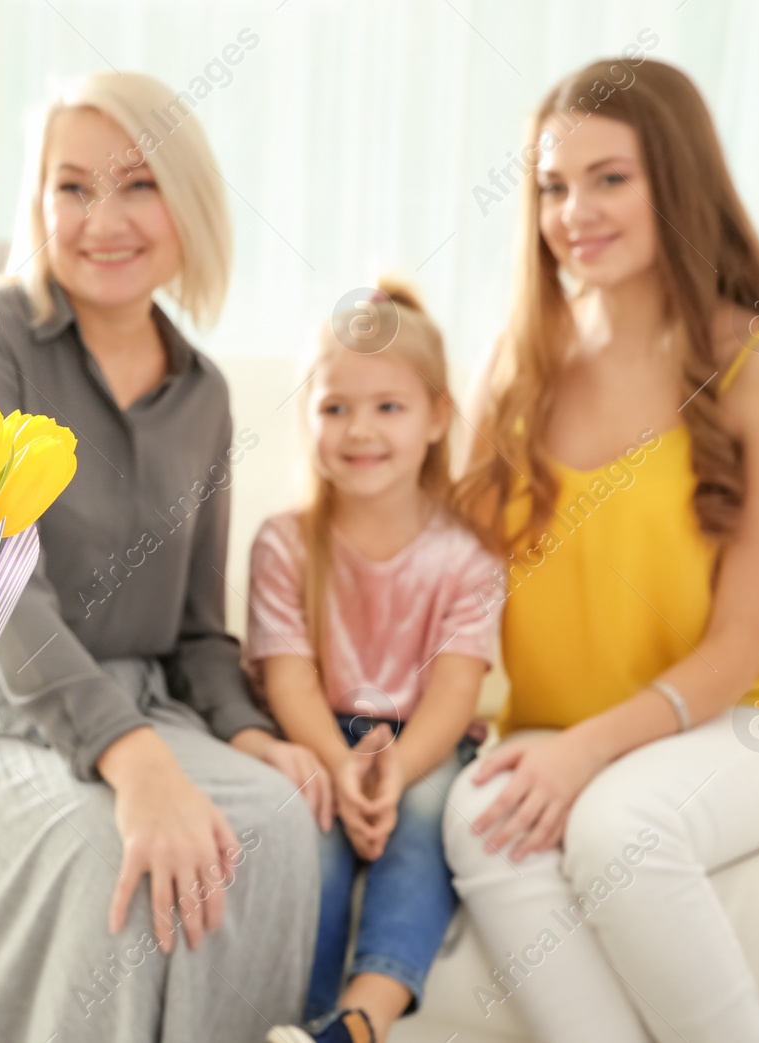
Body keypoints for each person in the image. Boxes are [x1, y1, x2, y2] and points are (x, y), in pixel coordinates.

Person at [0, 71, 322, 1041]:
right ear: (37, 204)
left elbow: (201, 630)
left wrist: (251, 734)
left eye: (137, 185)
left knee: (279, 824)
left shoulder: (203, 394)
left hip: (148, 700)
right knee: (104, 851)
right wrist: (135, 762)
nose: (102, 218)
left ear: (187, 203)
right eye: (71, 186)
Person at [443, 58, 759, 1042]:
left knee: (618, 831)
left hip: (736, 723)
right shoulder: (518, 363)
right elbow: (449, 587)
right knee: (476, 817)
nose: (571, 209)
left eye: (608, 178)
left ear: (674, 180)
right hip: (550, 729)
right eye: (551, 184)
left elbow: (731, 648)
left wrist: (581, 753)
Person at [250, 279, 500, 1043]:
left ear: (436, 418)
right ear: (308, 419)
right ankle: (302, 1016)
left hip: (424, 737)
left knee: (424, 818)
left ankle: (360, 1022)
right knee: (308, 824)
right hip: (320, 731)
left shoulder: (468, 556)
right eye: (335, 407)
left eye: (388, 406)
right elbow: (286, 674)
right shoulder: (285, 544)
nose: (360, 429)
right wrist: (336, 761)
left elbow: (456, 690)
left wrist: (394, 769)